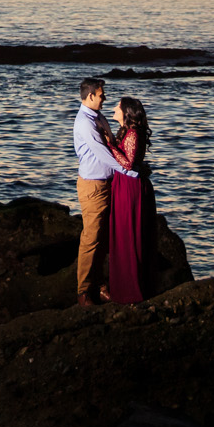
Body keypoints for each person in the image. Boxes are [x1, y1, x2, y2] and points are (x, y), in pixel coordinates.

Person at [72, 77, 137, 306]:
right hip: (93, 186)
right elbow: (102, 153)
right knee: (91, 238)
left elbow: (112, 145)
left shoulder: (98, 117)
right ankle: (83, 293)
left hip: (108, 183)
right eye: (101, 94)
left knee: (104, 237)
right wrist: (130, 173)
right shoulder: (85, 122)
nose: (105, 98)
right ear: (90, 96)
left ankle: (99, 285)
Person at [102, 95, 155, 304]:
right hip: (125, 185)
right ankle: (125, 287)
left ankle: (129, 290)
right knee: (125, 232)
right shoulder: (128, 132)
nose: (114, 108)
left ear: (126, 112)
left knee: (128, 232)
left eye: (118, 106)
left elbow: (128, 163)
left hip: (129, 187)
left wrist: (110, 145)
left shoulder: (132, 133)